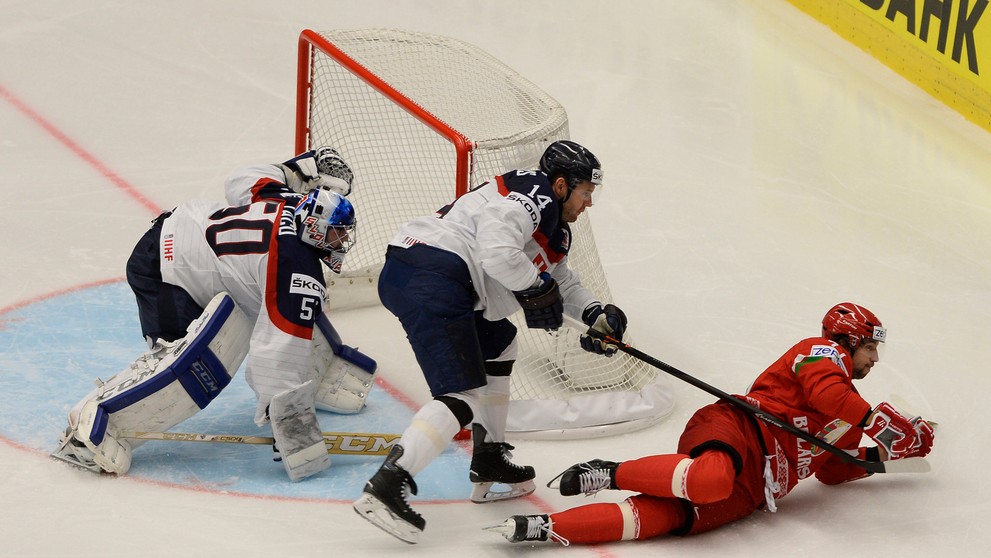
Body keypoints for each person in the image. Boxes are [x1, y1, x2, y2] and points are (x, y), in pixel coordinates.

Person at [352, 140, 630, 544]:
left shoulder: (551, 223)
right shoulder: (532, 195)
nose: (589, 202)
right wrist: (537, 288)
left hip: (434, 274)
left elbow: (561, 279)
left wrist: (594, 313)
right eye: (586, 191)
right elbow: (497, 253)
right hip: (433, 273)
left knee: (500, 342)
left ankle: (489, 459)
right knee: (462, 393)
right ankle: (387, 484)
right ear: (560, 185)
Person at [488, 302, 936, 545]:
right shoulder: (820, 351)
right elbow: (826, 394)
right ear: (850, 341)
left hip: (755, 491)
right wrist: (884, 423)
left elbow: (835, 469)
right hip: (739, 428)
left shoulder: (850, 417)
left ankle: (547, 529)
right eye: (870, 349)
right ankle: (608, 472)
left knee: (660, 519)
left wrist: (888, 453)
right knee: (709, 478)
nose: (875, 359)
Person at [52, 147, 374, 482]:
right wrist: (292, 429)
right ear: (315, 230)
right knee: (188, 366)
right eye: (338, 233)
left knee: (288, 312)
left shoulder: (289, 200)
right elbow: (278, 353)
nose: (343, 240)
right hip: (166, 273)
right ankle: (93, 428)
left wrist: (301, 170)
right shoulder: (297, 268)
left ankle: (318, 380)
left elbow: (242, 181)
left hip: (181, 235)